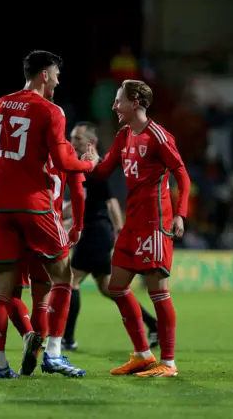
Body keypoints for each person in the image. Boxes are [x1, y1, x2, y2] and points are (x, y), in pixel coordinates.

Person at [0, 50, 98, 378]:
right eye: (56, 75)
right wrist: (90, 162)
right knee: (63, 276)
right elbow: (63, 162)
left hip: (0, 209)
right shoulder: (50, 110)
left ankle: (0, 365)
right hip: (34, 206)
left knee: (1, 291)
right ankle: (55, 355)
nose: (58, 82)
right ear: (44, 74)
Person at [83, 80, 190, 378]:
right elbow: (104, 171)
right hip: (131, 226)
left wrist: (180, 215)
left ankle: (168, 362)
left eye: (119, 101)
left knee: (159, 294)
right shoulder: (124, 135)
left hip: (155, 224)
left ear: (136, 103)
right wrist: (89, 164)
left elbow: (182, 175)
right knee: (116, 287)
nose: (114, 106)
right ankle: (143, 354)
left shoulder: (158, 136)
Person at [0, 141, 85, 377]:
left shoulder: (17, 144)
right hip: (44, 223)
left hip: (9, 220)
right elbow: (77, 192)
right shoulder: (65, 149)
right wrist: (77, 224)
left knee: (5, 292)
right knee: (46, 296)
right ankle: (47, 352)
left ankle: (8, 356)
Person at [63, 121, 159, 350]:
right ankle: (153, 324)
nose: (73, 142)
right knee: (109, 288)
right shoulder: (85, 166)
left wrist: (119, 229)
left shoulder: (99, 168)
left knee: (70, 282)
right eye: (72, 138)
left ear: (91, 142)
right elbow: (84, 200)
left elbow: (111, 200)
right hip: (95, 232)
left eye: (78, 138)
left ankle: (67, 339)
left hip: (95, 233)